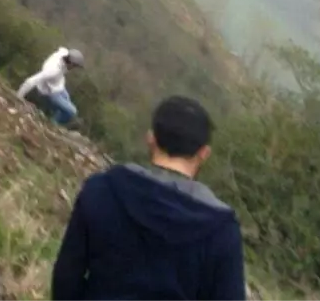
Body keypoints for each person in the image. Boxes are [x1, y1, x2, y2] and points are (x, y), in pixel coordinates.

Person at [51, 95, 246, 301]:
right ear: (204, 153)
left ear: (150, 138)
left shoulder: (103, 188)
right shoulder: (220, 230)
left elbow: (67, 275)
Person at [17, 47, 85, 127]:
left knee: (68, 103)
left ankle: (58, 116)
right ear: (70, 63)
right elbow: (31, 81)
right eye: (74, 66)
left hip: (59, 87)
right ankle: (52, 123)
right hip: (51, 93)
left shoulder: (63, 54)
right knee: (72, 111)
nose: (73, 69)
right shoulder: (53, 71)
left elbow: (62, 49)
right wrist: (18, 96)